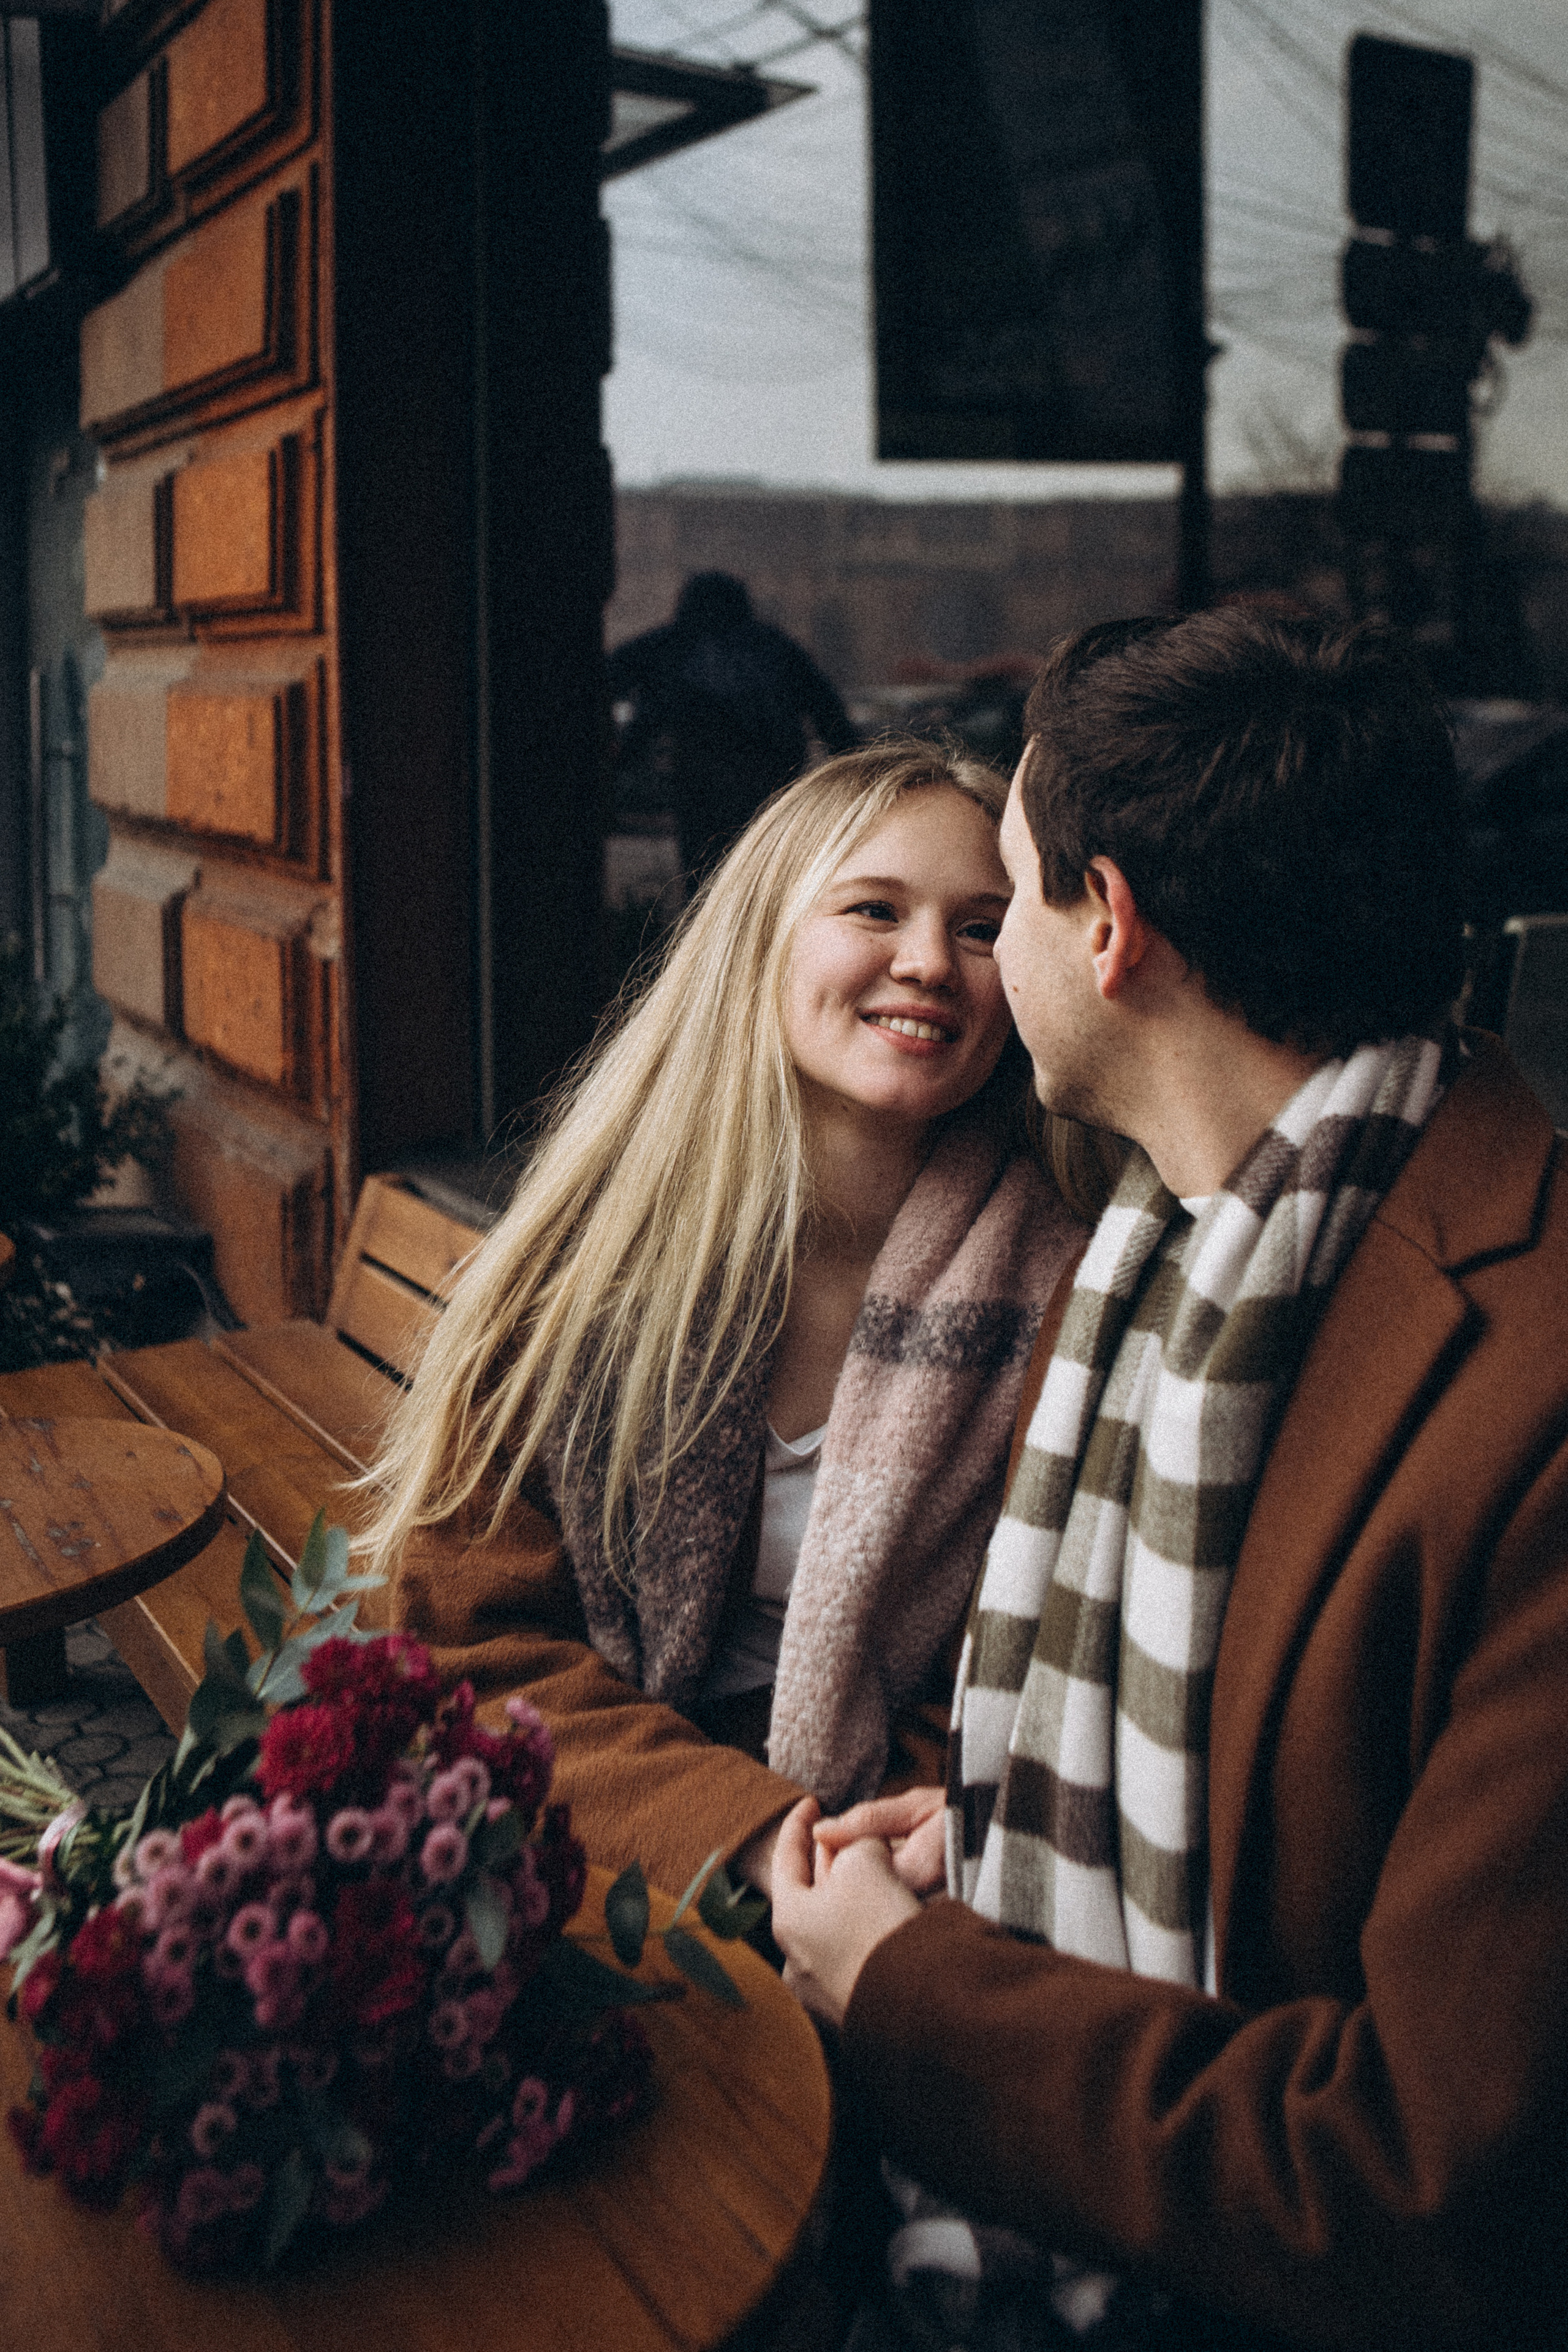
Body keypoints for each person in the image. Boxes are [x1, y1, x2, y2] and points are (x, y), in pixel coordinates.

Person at [771, 608, 1568, 2351]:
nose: (980, 958)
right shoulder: (1162, 1251)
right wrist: (987, 1833)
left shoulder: (1529, 1385)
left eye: (1006, 896)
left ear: (1108, 927)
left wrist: (912, 1991)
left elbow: (1421, 2190)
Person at [366, 743, 1095, 1902]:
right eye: (874, 909)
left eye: (979, 928)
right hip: (611, 1825)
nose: (927, 963)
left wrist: (875, 1833)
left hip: (900, 1853)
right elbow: (474, 1643)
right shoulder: (595, 1260)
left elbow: (1033, 1656)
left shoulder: (1060, 1281)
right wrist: (750, 1830)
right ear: (765, 936)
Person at [608, 571, 859, 878]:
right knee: (764, 868)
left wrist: (621, 762)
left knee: (707, 873)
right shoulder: (774, 649)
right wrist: (856, 778)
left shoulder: (670, 648)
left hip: (704, 783)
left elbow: (616, 687)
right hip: (768, 779)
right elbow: (828, 712)